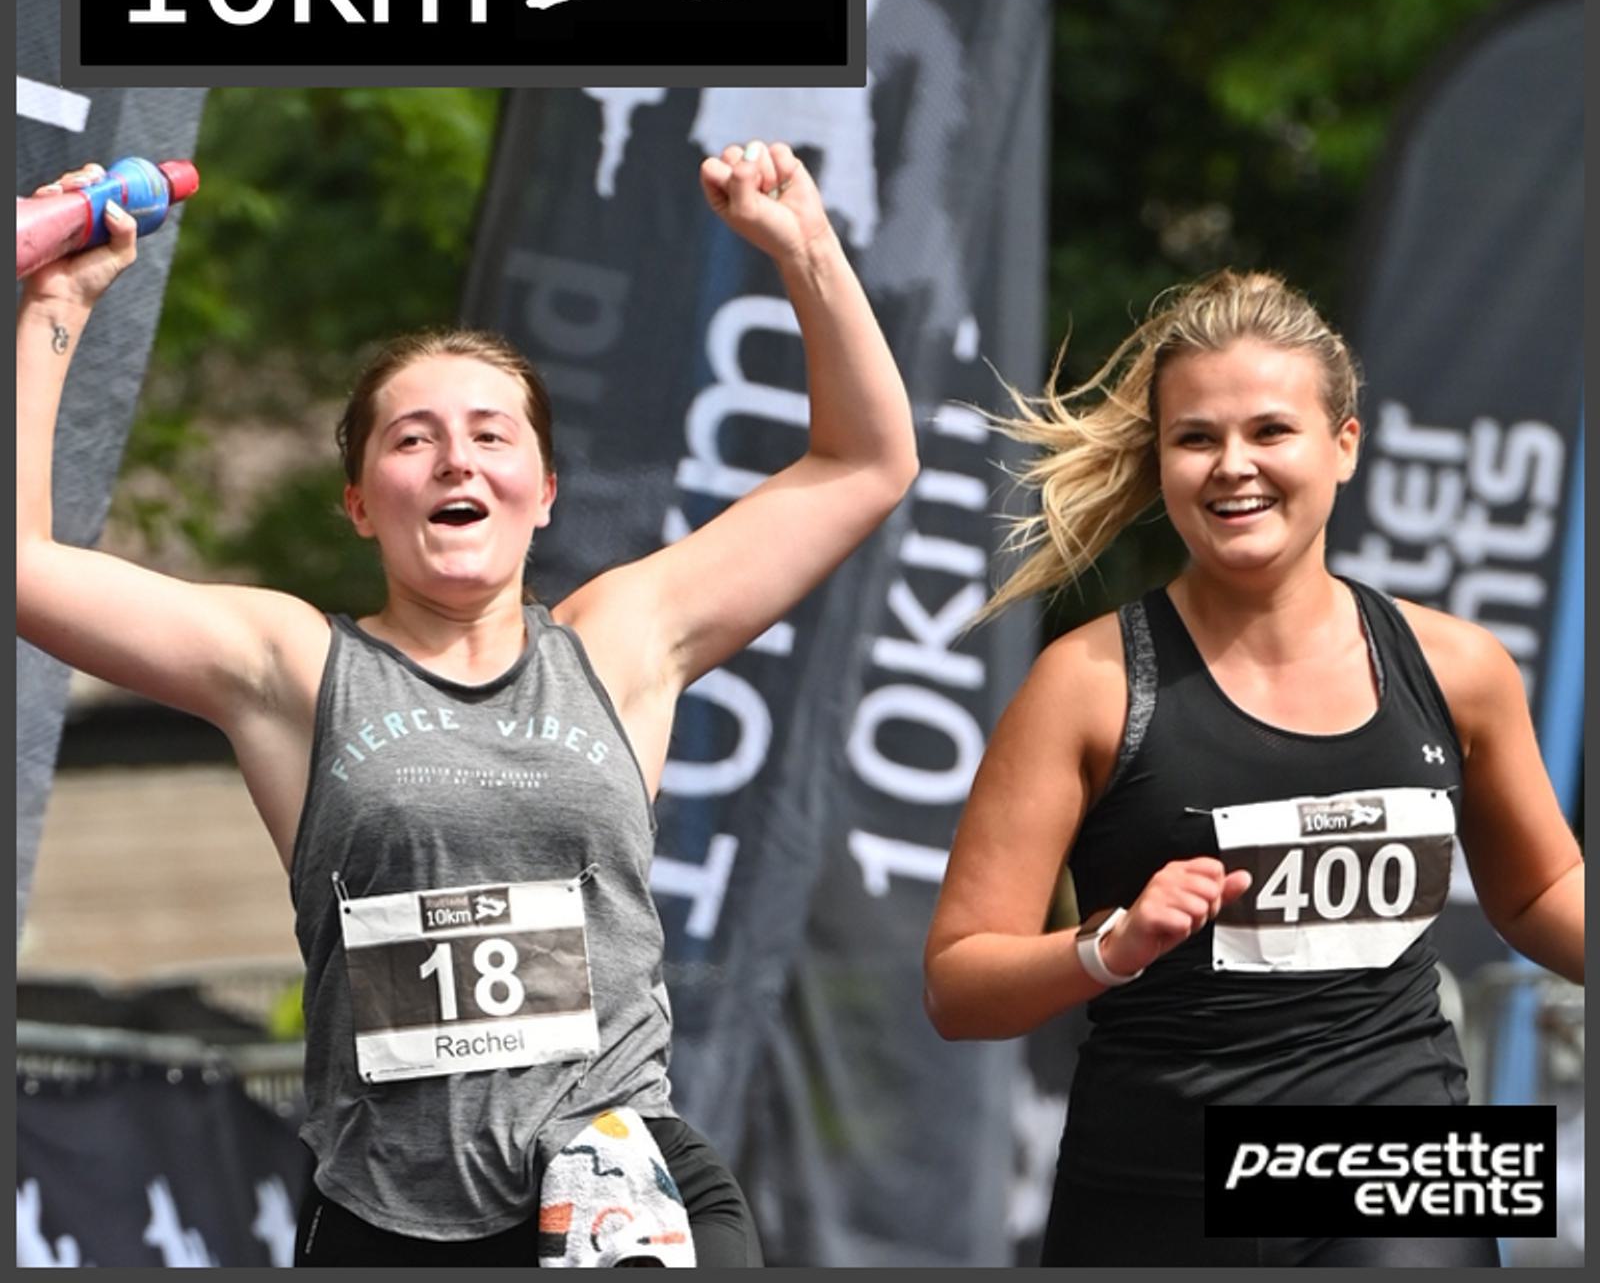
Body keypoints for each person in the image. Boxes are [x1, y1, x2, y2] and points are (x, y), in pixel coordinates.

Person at [17, 140, 919, 1268]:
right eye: (413, 438)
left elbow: (866, 462)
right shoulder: (295, 665)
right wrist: (55, 307)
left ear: (542, 492)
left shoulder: (620, 637)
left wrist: (809, 251)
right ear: (358, 501)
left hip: (620, 1180)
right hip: (390, 1211)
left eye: (492, 435)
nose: (456, 460)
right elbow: (20, 564)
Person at [923, 270, 1583, 1268]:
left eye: (1270, 430)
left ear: (1343, 446)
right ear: (1161, 462)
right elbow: (957, 984)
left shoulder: (1459, 668)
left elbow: (1540, 888)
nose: (1233, 466)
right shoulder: (1085, 684)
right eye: (1195, 438)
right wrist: (1108, 944)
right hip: (1155, 1183)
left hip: (1397, 1161)